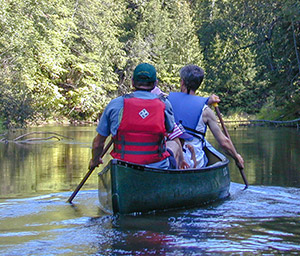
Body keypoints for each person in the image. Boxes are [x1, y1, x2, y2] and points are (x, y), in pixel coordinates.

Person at [89, 63, 181, 170]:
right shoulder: (165, 104)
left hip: (123, 168)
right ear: (155, 83)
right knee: (174, 145)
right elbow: (170, 130)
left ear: (132, 82)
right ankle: (173, 181)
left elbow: (98, 143)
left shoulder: (115, 104)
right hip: (157, 168)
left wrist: (94, 160)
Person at [168, 64, 244, 170]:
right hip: (193, 163)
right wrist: (237, 157)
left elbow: (186, 102)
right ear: (199, 84)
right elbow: (224, 143)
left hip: (171, 159)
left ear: (182, 82)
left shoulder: (167, 101)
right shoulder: (206, 112)